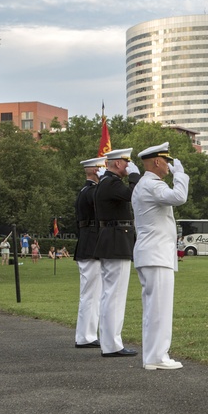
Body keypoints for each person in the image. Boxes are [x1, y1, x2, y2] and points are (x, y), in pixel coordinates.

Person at [132, 142, 190, 370]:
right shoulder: (152, 185)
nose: (169, 166)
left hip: (151, 253)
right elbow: (179, 197)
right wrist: (181, 176)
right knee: (159, 309)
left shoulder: (145, 184)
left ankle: (152, 356)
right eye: (166, 161)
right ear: (157, 162)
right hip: (156, 254)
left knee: (153, 309)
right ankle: (158, 356)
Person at [93, 148, 142, 357]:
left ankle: (109, 342)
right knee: (115, 295)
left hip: (112, 238)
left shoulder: (106, 183)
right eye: (126, 162)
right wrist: (135, 177)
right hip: (115, 239)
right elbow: (134, 195)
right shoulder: (112, 183)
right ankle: (112, 344)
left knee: (110, 294)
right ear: (118, 164)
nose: (128, 165)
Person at [72, 156, 105, 349]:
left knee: (93, 293)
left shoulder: (88, 190)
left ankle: (88, 334)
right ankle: (86, 335)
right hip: (91, 244)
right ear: (95, 171)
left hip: (90, 244)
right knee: (90, 293)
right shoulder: (91, 191)